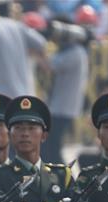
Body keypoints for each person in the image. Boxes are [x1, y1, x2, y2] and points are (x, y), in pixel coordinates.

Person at [43, 26, 88, 164]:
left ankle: (62, 176)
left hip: (63, 107)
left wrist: (38, 51)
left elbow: (49, 64)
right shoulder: (76, 52)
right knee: (50, 145)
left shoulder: (75, 53)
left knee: (51, 145)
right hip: (62, 105)